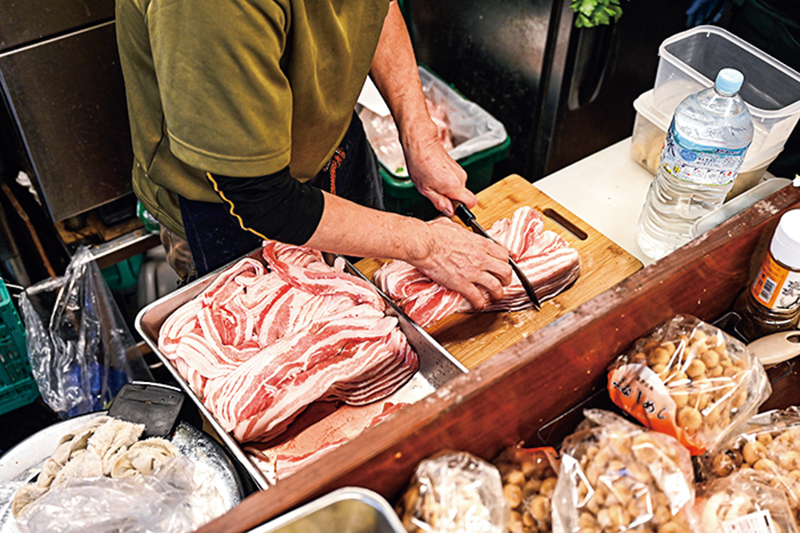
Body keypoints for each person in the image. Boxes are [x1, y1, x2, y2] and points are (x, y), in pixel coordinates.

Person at [115, 0, 512, 310]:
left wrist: (418, 133)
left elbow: (379, 9)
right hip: (228, 206)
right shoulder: (212, 9)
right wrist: (426, 245)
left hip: (333, 149)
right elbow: (262, 199)